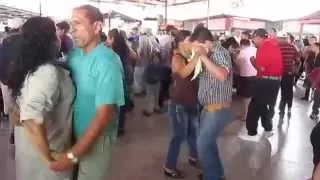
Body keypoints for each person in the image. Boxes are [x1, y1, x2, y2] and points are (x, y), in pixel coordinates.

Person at [49, 5, 125, 180]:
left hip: (96, 139)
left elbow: (104, 115)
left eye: (78, 23)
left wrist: (73, 154)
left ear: (97, 27)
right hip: (73, 133)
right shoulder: (74, 55)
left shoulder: (107, 62)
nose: (72, 29)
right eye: (71, 24)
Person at [5, 17, 75, 180]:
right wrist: (50, 161)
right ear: (47, 40)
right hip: (47, 155)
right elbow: (31, 118)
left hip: (30, 149)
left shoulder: (27, 67)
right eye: (55, 33)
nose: (59, 37)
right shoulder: (46, 72)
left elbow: (17, 113)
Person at [180, 27, 233, 180]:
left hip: (218, 109)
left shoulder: (220, 53)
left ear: (208, 42)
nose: (197, 50)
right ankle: (216, 173)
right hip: (208, 108)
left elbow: (222, 76)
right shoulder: (209, 53)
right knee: (208, 143)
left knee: (203, 143)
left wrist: (202, 57)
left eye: (199, 46)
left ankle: (212, 176)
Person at [163, 30, 199, 178]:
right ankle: (169, 166)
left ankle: (193, 156)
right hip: (179, 103)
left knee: (193, 132)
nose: (194, 44)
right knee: (179, 136)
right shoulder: (177, 57)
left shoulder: (190, 56)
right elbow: (183, 73)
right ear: (181, 42)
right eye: (190, 40)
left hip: (192, 100)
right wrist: (197, 56)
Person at [241, 28, 283, 140]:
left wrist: (253, 62)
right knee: (263, 105)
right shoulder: (273, 45)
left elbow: (262, 69)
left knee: (254, 106)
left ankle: (251, 133)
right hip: (274, 80)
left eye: (254, 38)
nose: (253, 41)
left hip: (266, 80)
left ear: (258, 37)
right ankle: (268, 129)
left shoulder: (264, 47)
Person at [278, 34, 299, 119]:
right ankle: (289, 108)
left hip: (279, 72)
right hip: (290, 72)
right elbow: (297, 60)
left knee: (283, 90)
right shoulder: (292, 47)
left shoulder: (277, 47)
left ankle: (282, 107)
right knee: (289, 91)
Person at [235, 39, 257, 121]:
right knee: (252, 96)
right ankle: (250, 113)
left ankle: (246, 114)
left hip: (246, 76)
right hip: (256, 75)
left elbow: (238, 63)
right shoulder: (256, 50)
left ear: (242, 45)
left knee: (246, 98)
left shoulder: (243, 52)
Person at [309, 43, 320, 121]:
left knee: (317, 96)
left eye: (314, 46)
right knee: (317, 96)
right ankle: (315, 112)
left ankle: (314, 112)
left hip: (318, 78)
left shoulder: (319, 56)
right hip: (316, 77)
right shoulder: (315, 55)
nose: (312, 47)